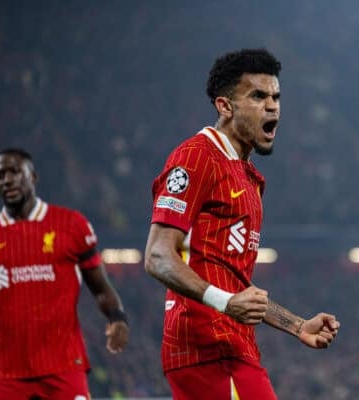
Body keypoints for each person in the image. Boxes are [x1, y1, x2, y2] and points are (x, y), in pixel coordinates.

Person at [144, 48, 340, 399]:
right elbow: (158, 256)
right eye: (258, 96)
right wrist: (225, 304)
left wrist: (297, 326)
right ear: (225, 106)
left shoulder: (250, 179)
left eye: (276, 97)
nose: (273, 106)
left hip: (232, 346)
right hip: (207, 347)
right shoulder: (197, 156)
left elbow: (236, 287)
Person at [0, 148, 130, 399]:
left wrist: (117, 316)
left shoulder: (71, 225)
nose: (6, 180)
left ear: (33, 176)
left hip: (64, 369)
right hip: (4, 374)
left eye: (14, 171)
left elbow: (100, 286)